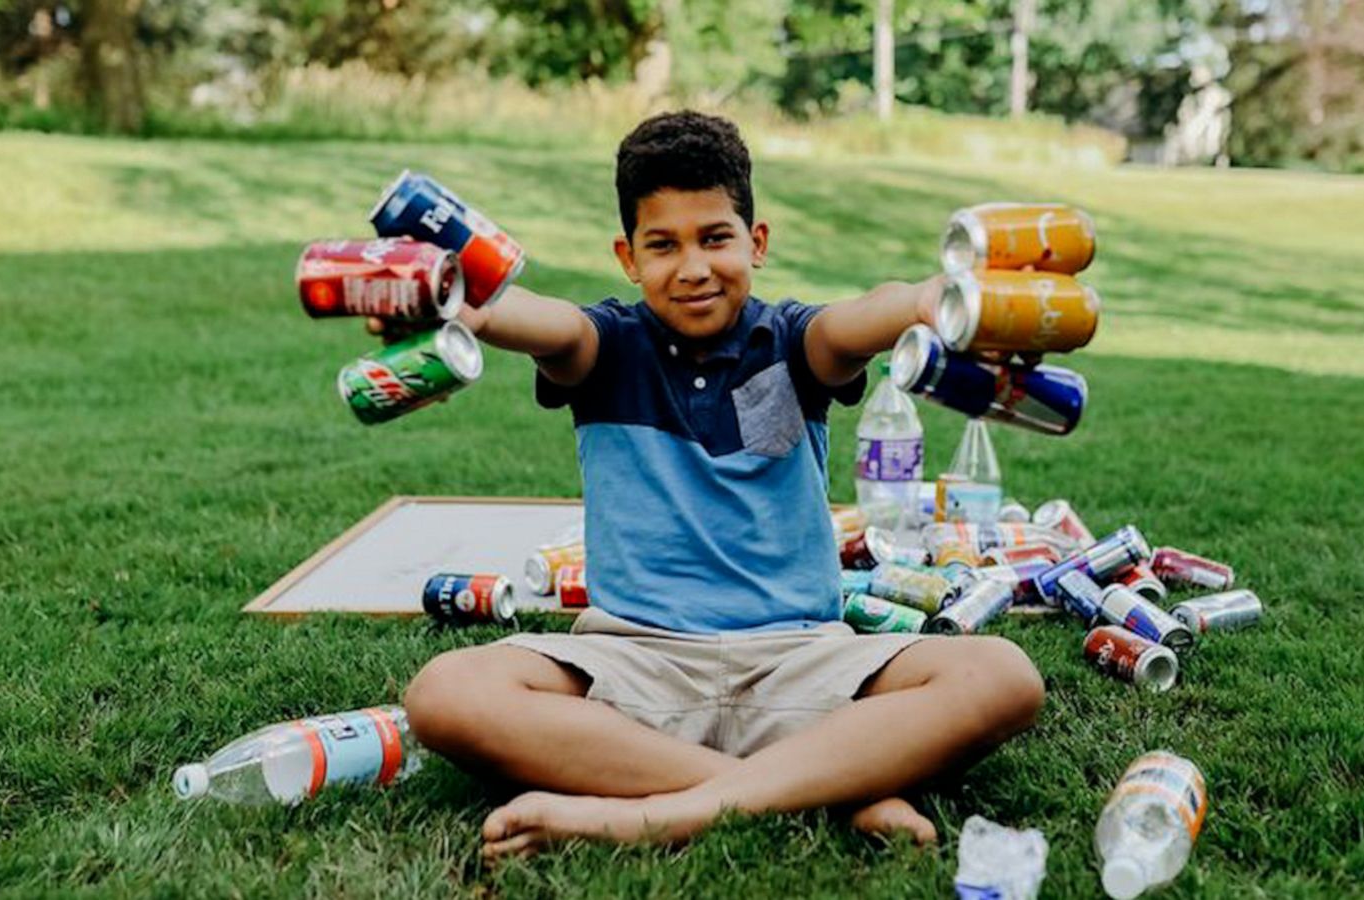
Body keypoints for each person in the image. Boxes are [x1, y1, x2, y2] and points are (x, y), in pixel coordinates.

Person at [395, 110, 1044, 858]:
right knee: (445, 694)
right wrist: (465, 306)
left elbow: (861, 318)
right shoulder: (604, 348)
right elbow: (541, 321)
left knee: (1002, 675)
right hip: (637, 665)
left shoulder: (796, 344)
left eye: (715, 237)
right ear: (628, 257)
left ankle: (664, 813)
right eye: (662, 245)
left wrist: (928, 302)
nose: (693, 267)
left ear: (756, 242)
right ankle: (830, 786)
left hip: (800, 661)